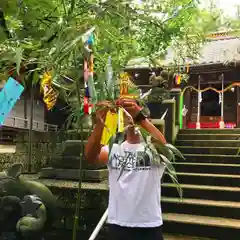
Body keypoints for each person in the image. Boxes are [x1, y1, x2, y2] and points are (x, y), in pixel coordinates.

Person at [85, 98, 167, 240]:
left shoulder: (152, 150)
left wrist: (140, 118)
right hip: (118, 223)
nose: (129, 117)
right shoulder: (114, 149)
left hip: (148, 224)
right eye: (125, 113)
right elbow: (91, 156)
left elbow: (164, 148)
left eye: (132, 112)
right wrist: (99, 124)